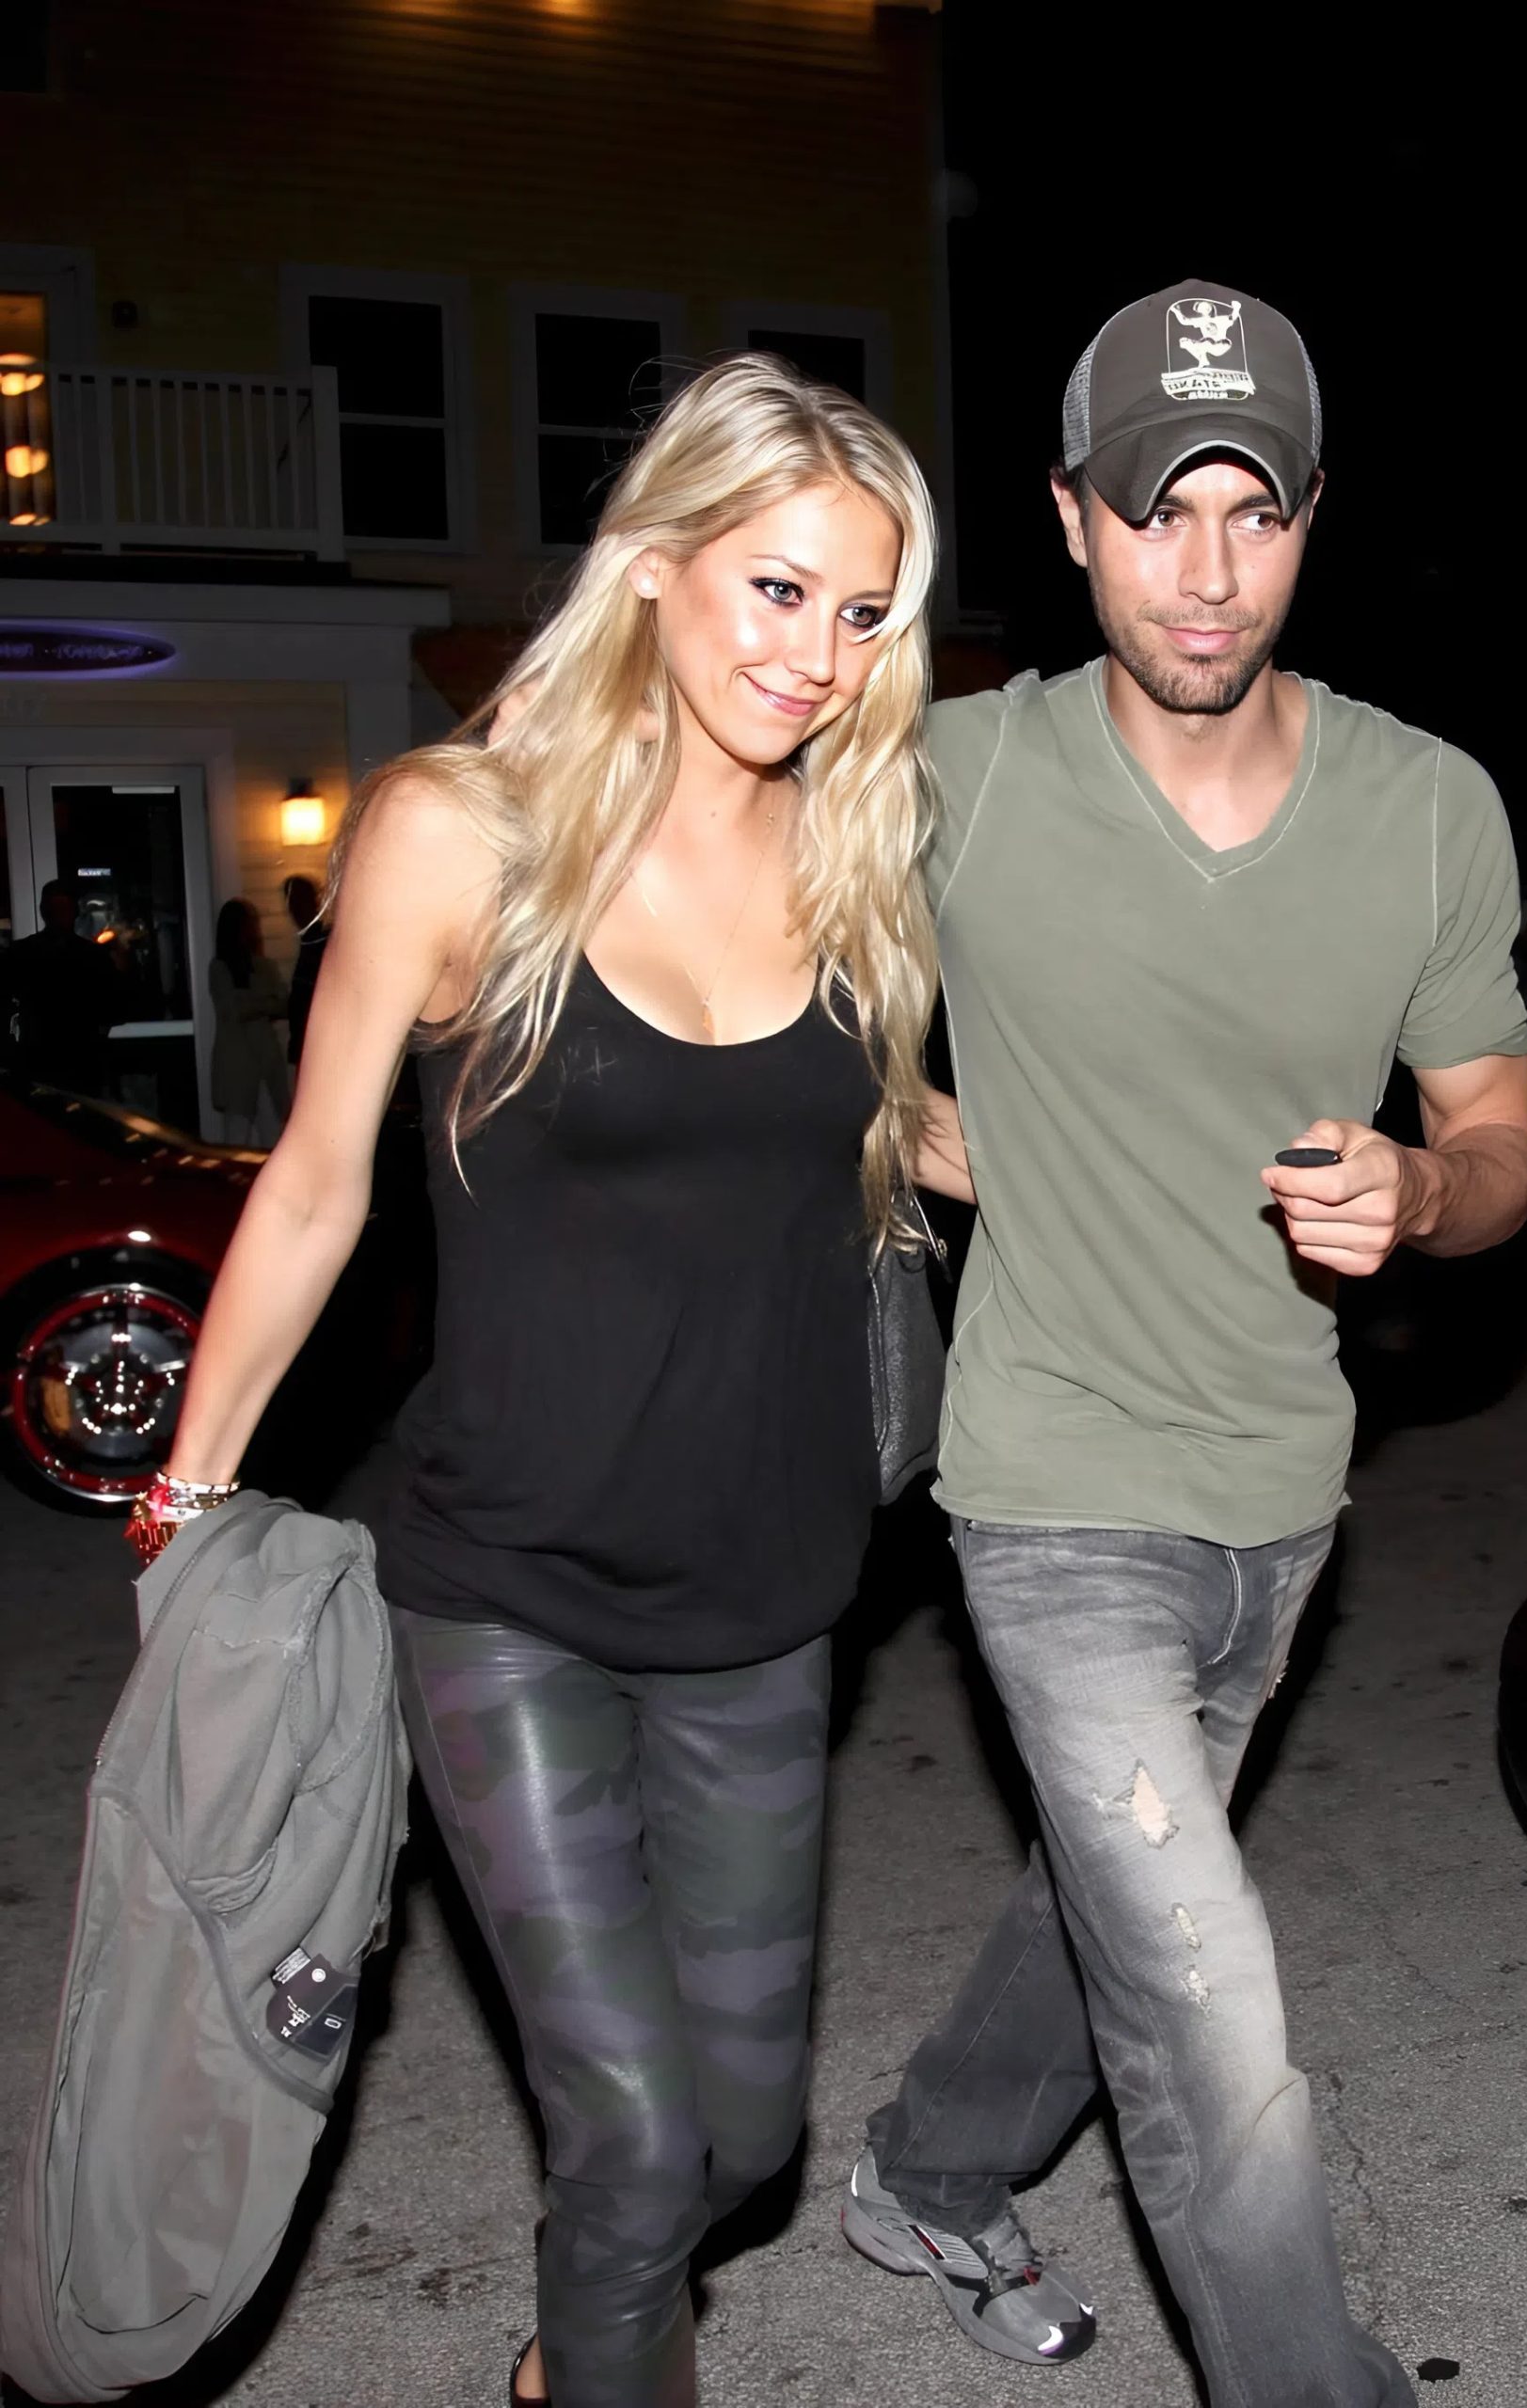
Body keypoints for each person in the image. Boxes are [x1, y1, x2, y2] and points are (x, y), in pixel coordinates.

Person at [145, 355, 972, 2408]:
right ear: (657, 564)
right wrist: (190, 1486)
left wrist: (1151, 1164)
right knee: (627, 2146)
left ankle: (577, 2344)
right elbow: (316, 1181)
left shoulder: (858, 852)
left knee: (741, 2141)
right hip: (503, 1587)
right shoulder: (462, 834)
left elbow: (874, 1134)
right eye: (776, 588)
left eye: (862, 613)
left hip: (769, 1596)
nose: (816, 655)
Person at [841, 283, 1527, 2406]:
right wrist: (901, 1124)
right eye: (1158, 512)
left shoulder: (1427, 805)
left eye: (1253, 510)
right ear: (1070, 521)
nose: (1207, 570)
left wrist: (1422, 1190)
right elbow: (736, 973)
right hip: (1050, 1479)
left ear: (1313, 518)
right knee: (1208, 1994)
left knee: (1115, 1903)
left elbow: (1500, 1137)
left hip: (1284, 1491)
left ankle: (926, 2168)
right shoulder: (952, 775)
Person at [2, 879, 120, 1093]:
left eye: (63, 909)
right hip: (61, 1063)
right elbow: (114, 1008)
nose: (61, 915)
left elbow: (114, 1007)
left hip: (64, 1062)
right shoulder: (92, 956)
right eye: (57, 909)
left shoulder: (22, 952)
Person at [208, 897, 291, 1145]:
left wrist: (252, 1001)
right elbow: (235, 1009)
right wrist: (263, 1001)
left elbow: (282, 1004)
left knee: (272, 1134)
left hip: (266, 1061)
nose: (253, 929)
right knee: (237, 1135)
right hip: (237, 1064)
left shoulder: (264, 966)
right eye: (248, 923)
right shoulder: (220, 968)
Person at [281, 872, 328, 1076]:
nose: (293, 909)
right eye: (291, 902)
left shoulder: (322, 943)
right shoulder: (310, 941)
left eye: (298, 901)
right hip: (310, 1048)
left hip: (320, 1048)